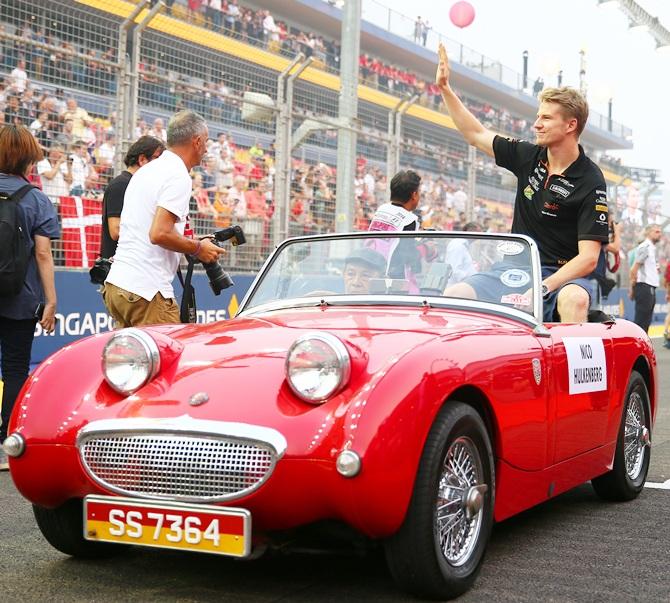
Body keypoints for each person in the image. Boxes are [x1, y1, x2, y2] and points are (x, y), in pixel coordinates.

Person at [436, 43, 608, 322]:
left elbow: (589, 259)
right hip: (514, 270)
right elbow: (475, 134)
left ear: (570, 125)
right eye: (538, 116)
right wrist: (445, 88)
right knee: (455, 293)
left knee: (575, 299)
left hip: (560, 275)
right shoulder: (528, 155)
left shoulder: (591, 178)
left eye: (546, 118)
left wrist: (542, 287)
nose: (536, 124)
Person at [102, 110, 226, 328]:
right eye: (206, 142)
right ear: (196, 142)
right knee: (166, 359)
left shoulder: (147, 170)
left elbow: (151, 227)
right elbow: (159, 233)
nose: (207, 149)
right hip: (146, 291)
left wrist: (192, 243)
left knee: (131, 361)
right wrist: (198, 248)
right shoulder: (177, 175)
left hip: (118, 286)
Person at [0, 125, 59, 469]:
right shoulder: (36, 198)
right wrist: (50, 301)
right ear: (28, 159)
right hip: (20, 300)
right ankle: (8, 443)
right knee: (15, 368)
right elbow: (42, 255)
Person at [100, 135, 165, 261]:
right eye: (156, 159)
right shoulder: (121, 185)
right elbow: (116, 230)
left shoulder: (138, 185)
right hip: (119, 268)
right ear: (142, 159)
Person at [629, 224, 662, 334]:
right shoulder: (645, 247)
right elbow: (634, 268)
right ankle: (635, 347)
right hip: (644, 286)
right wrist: (632, 288)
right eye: (656, 232)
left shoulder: (652, 248)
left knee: (646, 320)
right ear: (648, 233)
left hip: (649, 286)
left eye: (660, 232)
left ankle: (643, 347)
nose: (659, 234)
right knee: (641, 320)